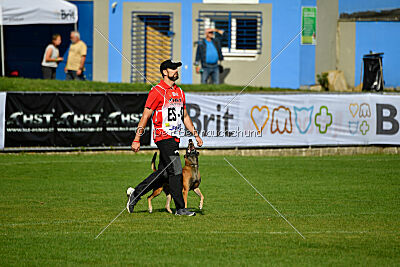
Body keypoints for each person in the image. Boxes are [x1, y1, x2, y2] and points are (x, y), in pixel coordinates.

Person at [127, 59, 203, 216]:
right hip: (163, 137)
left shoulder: (180, 92)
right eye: (173, 68)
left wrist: (195, 135)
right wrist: (137, 138)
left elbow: (185, 117)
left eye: (177, 68)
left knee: (164, 174)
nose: (176, 71)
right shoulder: (156, 91)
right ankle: (180, 209)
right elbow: (145, 116)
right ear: (164, 72)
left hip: (175, 138)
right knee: (176, 170)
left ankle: (135, 193)